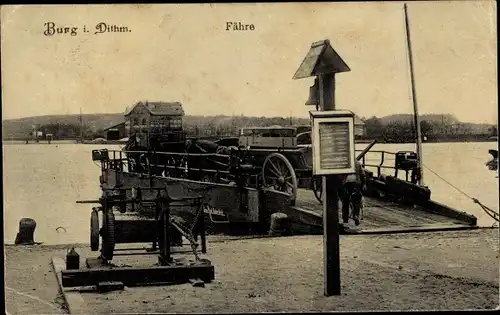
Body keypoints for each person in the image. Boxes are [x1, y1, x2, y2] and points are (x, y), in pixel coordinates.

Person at [339, 160, 367, 226]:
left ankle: (345, 219)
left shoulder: (345, 161)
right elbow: (363, 174)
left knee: (345, 202)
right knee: (356, 202)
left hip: (346, 183)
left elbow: (340, 175)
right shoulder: (358, 163)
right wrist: (364, 184)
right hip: (356, 183)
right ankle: (356, 216)